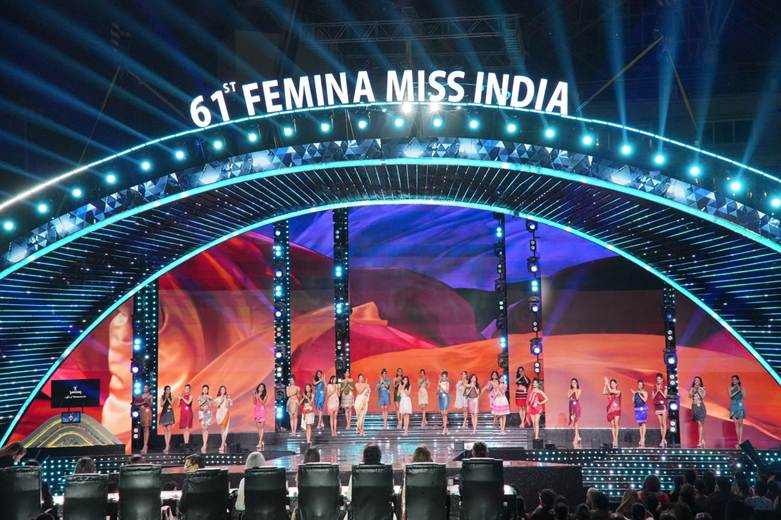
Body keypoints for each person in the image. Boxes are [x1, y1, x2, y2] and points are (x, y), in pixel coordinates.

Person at [134, 384, 153, 454]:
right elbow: (135, 404)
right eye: (144, 388)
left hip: (147, 411)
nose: (145, 389)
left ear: (148, 389)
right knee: (143, 429)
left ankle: (145, 446)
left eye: (146, 388)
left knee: (147, 428)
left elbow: (151, 405)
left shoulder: (150, 396)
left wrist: (146, 401)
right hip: (142, 412)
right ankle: (144, 446)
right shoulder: (141, 396)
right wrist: (141, 403)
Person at [603, 377, 622, 448]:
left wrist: (607, 382)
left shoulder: (618, 392)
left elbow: (610, 390)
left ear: (616, 384)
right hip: (610, 410)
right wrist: (605, 384)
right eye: (611, 384)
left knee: (616, 424)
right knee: (612, 425)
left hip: (617, 409)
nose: (612, 385)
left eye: (614, 383)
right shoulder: (610, 393)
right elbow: (603, 392)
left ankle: (616, 439)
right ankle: (614, 439)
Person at [728, 375, 745, 448]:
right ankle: (739, 441)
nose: (734, 381)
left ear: (738, 380)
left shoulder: (742, 388)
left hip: (740, 405)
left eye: (735, 379)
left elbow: (744, 397)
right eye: (733, 379)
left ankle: (740, 441)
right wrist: (737, 390)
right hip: (733, 405)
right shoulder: (730, 388)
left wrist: (741, 390)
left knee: (740, 424)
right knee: (736, 423)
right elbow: (731, 396)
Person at [689, 376, 707, 448]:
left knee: (700, 424)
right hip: (694, 407)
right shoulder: (692, 388)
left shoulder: (702, 388)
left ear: (700, 382)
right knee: (699, 424)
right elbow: (690, 396)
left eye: (697, 380)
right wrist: (693, 390)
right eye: (695, 380)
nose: (696, 381)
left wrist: (699, 390)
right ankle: (702, 440)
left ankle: (700, 441)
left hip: (700, 407)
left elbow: (702, 397)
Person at [214, 385, 232, 453]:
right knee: (222, 430)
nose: (223, 390)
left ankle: (222, 445)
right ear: (220, 390)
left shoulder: (227, 398)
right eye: (221, 389)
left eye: (224, 389)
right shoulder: (217, 398)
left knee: (224, 428)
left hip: (225, 413)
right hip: (219, 414)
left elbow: (227, 406)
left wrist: (227, 399)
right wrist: (221, 401)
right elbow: (217, 406)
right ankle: (224, 442)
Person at [632, 380, 649, 448]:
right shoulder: (636, 392)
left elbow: (645, 400)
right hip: (637, 409)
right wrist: (634, 394)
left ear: (643, 385)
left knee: (643, 423)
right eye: (639, 384)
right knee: (639, 424)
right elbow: (633, 401)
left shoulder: (645, 392)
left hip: (643, 409)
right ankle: (641, 438)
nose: (640, 386)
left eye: (641, 385)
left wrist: (639, 394)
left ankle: (643, 438)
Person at [653, 373, 668, 447]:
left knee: (663, 423)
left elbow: (665, 396)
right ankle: (663, 439)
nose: (658, 380)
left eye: (659, 379)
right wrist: (657, 391)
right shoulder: (654, 387)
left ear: (662, 380)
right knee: (660, 424)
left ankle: (662, 440)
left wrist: (660, 390)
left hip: (663, 406)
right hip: (657, 406)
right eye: (657, 379)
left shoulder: (665, 387)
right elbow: (653, 397)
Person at [159, 385, 175, 454]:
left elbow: (172, 404)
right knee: (165, 431)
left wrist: (168, 398)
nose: (168, 390)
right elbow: (161, 405)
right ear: (165, 390)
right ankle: (167, 445)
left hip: (169, 413)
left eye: (169, 389)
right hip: (164, 413)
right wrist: (165, 399)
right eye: (167, 389)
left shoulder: (172, 397)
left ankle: (167, 446)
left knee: (169, 430)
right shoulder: (162, 397)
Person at [197, 384, 212, 453]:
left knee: (206, 428)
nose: (205, 390)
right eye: (204, 389)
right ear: (202, 390)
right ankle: (204, 443)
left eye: (206, 389)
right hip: (201, 413)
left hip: (208, 413)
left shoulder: (210, 397)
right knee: (203, 429)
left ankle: (205, 444)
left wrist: (208, 399)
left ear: (208, 390)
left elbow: (210, 405)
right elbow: (199, 405)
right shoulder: (199, 397)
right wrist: (203, 408)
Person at [178, 384, 194, 448]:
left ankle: (187, 443)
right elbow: (178, 405)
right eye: (186, 388)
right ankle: (185, 443)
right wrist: (179, 399)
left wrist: (182, 398)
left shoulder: (190, 396)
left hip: (188, 413)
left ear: (189, 389)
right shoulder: (182, 396)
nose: (187, 389)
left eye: (188, 388)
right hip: (183, 413)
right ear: (184, 389)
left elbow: (188, 403)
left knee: (187, 428)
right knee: (184, 428)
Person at [253, 382, 268, 450]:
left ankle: (259, 442)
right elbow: (254, 402)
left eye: (262, 387)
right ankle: (261, 441)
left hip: (262, 410)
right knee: (258, 427)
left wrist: (259, 397)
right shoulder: (256, 394)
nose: (261, 388)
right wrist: (254, 396)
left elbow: (263, 403)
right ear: (258, 388)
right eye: (260, 387)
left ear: (264, 388)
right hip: (256, 410)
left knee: (261, 427)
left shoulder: (265, 394)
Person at [568, 378, 582, 447]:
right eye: (572, 382)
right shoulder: (569, 390)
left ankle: (576, 438)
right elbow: (568, 397)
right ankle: (578, 436)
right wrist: (572, 391)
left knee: (575, 421)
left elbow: (577, 397)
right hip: (571, 405)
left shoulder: (579, 390)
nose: (573, 383)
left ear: (577, 383)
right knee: (573, 421)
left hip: (576, 406)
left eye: (574, 382)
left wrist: (575, 390)